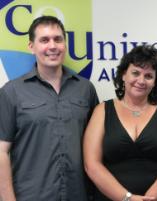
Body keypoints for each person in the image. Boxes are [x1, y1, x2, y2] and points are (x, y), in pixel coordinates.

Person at [0, 16, 99, 201]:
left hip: (79, 195)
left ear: (65, 44)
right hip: (31, 196)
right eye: (44, 40)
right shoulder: (11, 92)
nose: (52, 46)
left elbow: (96, 146)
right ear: (31, 46)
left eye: (58, 39)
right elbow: (1, 152)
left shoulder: (86, 89)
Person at [83, 45, 157, 201]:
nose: (141, 80)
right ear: (124, 75)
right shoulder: (102, 111)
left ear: (155, 82)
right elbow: (92, 164)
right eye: (135, 73)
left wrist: (148, 199)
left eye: (148, 76)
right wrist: (127, 198)